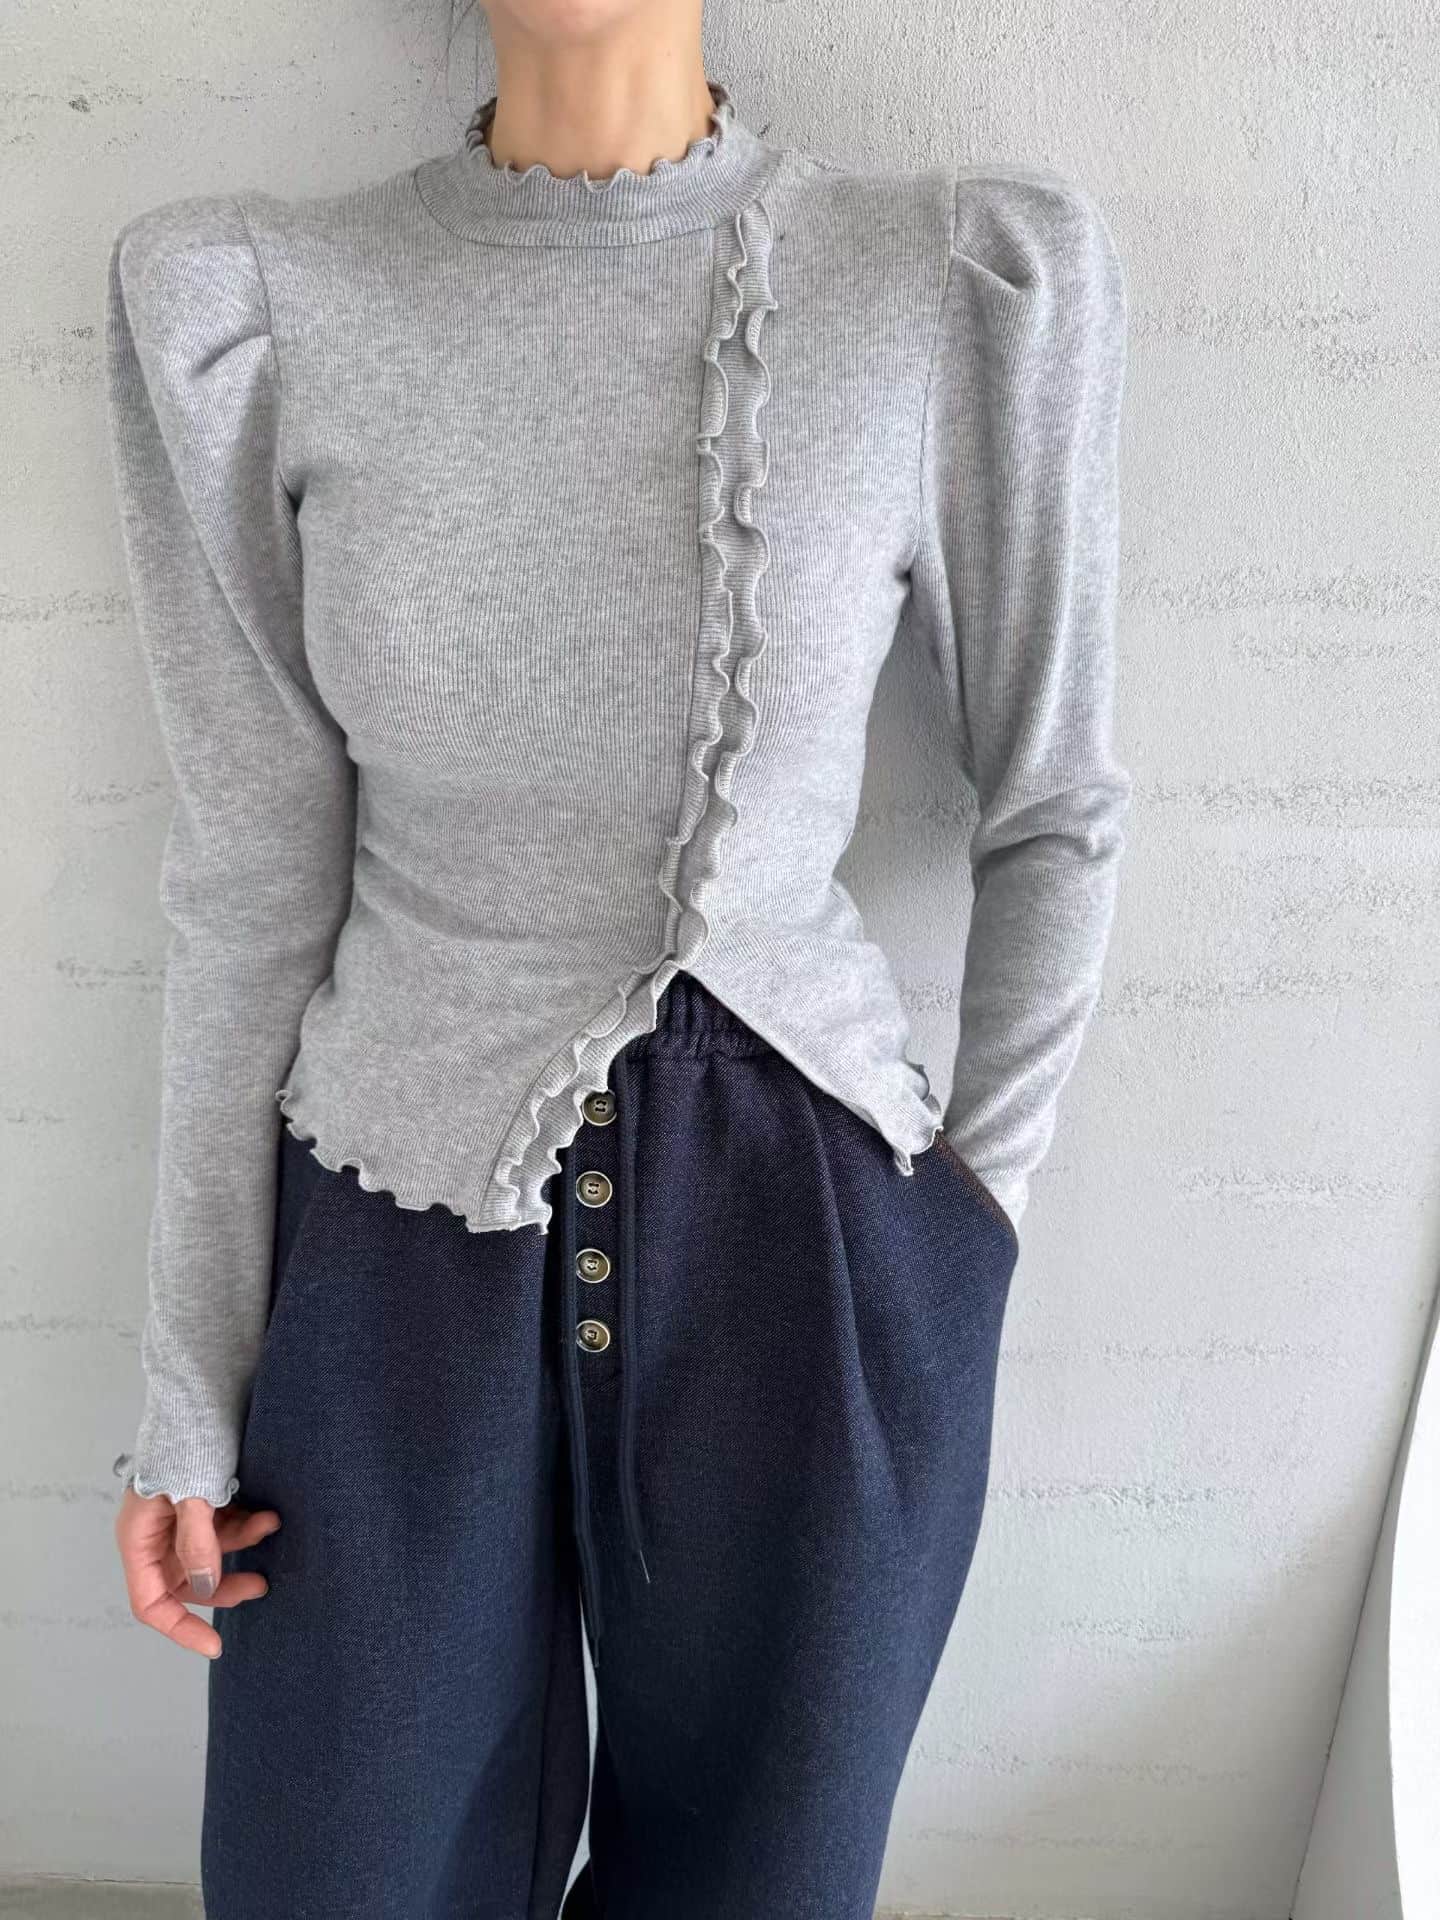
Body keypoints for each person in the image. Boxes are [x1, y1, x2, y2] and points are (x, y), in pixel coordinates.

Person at [102, 2, 1131, 1913]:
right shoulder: (264, 303)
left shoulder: (941, 282)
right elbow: (248, 878)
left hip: (809, 1244)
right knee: (332, 1872)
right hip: (386, 1249)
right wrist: (192, 1376)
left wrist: (966, 1235)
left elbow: (1056, 802)